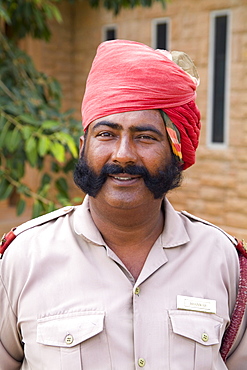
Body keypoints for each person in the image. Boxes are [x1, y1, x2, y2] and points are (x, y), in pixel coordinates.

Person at [0, 39, 246, 370]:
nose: (124, 154)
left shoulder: (223, 260)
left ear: (176, 151)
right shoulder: (23, 258)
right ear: (83, 146)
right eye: (107, 134)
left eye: (146, 137)